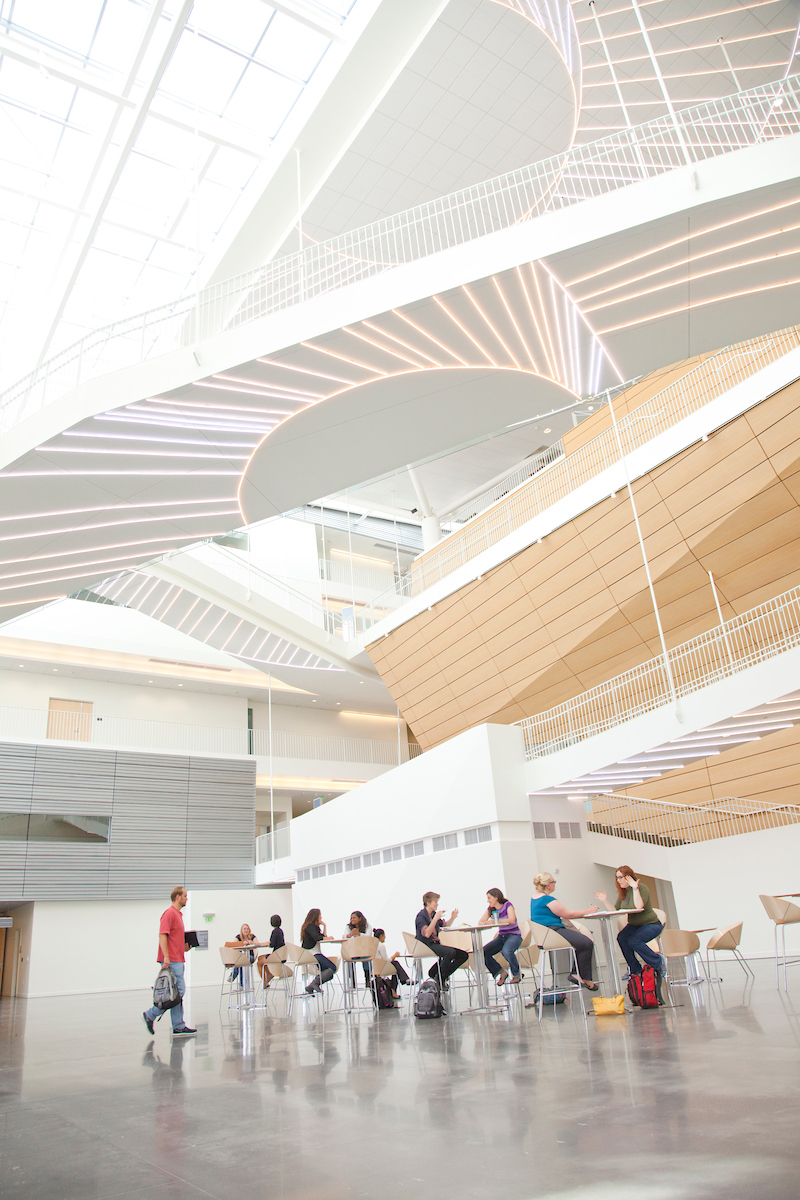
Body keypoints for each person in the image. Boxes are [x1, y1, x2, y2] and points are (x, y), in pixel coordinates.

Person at [530, 872, 599, 990]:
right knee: (586, 943)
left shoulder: (535, 897)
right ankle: (579, 975)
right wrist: (588, 911)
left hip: (546, 934)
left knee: (582, 943)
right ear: (548, 885)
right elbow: (568, 914)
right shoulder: (547, 900)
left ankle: (577, 974)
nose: (555, 884)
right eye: (553, 882)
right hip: (553, 932)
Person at [142, 885, 196, 1036]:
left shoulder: (178, 915)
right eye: (185, 896)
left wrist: (184, 947)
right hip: (171, 960)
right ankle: (151, 1014)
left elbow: (173, 938)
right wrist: (166, 957)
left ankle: (178, 1025)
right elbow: (162, 935)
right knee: (178, 992)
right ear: (177, 897)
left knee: (176, 994)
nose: (187, 898)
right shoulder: (169, 914)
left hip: (178, 958)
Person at [595, 866, 665, 982]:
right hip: (635, 925)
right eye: (617, 878)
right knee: (622, 938)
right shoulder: (623, 892)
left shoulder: (642, 888)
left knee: (634, 940)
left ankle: (657, 962)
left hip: (651, 924)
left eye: (621, 877)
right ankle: (635, 969)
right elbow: (614, 911)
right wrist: (605, 901)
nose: (619, 880)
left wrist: (635, 889)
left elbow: (639, 906)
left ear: (628, 877)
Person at [414, 891, 468, 990]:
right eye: (435, 902)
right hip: (426, 945)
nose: (437, 904)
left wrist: (452, 918)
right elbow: (426, 933)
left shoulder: (433, 914)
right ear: (428, 902)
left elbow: (445, 925)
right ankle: (439, 979)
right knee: (449, 952)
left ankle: (437, 975)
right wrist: (435, 919)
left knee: (463, 955)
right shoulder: (421, 916)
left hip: (435, 944)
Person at [479, 888, 523, 986]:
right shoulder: (491, 909)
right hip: (502, 936)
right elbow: (480, 922)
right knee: (483, 952)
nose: (488, 901)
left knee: (506, 951)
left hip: (514, 935)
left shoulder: (508, 905)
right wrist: (486, 923)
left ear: (496, 897)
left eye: (489, 898)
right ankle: (501, 972)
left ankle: (516, 974)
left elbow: (511, 920)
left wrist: (496, 921)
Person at [301, 908, 338, 993]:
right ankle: (314, 984)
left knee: (330, 973)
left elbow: (323, 936)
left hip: (315, 953)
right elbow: (318, 938)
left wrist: (324, 926)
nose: (321, 917)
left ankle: (312, 985)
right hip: (311, 954)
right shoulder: (310, 926)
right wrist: (327, 938)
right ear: (316, 916)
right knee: (332, 968)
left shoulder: (314, 927)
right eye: (320, 915)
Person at [374, 927, 410, 1000]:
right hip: (381, 967)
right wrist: (395, 955)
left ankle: (404, 980)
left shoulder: (372, 945)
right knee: (395, 964)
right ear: (381, 936)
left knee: (395, 966)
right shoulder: (381, 945)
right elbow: (386, 960)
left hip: (375, 968)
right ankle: (404, 980)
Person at [257, 914, 285, 987]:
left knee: (259, 963)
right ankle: (269, 974)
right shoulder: (280, 931)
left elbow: (271, 944)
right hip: (280, 955)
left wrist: (266, 944)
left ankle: (264, 982)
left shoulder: (275, 931)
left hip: (276, 956)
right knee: (260, 957)